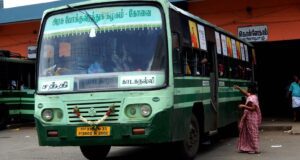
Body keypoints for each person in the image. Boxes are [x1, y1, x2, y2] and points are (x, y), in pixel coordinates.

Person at [234, 84, 262, 154]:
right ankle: (247, 147)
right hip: (249, 117)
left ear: (250, 89)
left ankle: (255, 148)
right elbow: (245, 93)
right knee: (247, 132)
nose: (247, 89)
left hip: (252, 117)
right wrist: (239, 88)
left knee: (252, 133)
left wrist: (243, 106)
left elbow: (253, 108)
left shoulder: (252, 98)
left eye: (248, 88)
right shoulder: (252, 96)